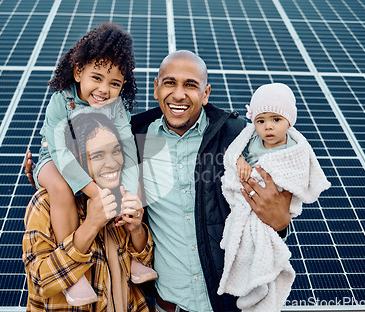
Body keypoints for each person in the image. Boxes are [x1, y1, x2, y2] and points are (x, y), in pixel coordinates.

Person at [25, 50, 293, 312]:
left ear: (206, 93)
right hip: (168, 304)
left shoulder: (238, 137)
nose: (178, 94)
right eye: (169, 83)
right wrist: (53, 177)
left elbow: (278, 191)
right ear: (156, 88)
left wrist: (281, 223)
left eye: (190, 85)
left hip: (231, 302)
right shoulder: (135, 134)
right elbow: (92, 157)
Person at [32, 22, 156, 306]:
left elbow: (127, 148)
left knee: (132, 184)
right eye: (96, 78)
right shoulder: (60, 102)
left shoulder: (117, 109)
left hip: (98, 161)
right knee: (62, 188)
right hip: (54, 160)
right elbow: (62, 153)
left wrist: (128, 192)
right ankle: (75, 274)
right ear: (78, 72)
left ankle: (132, 260)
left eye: (114, 84)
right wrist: (92, 191)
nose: (103, 89)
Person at [23, 113, 154, 312]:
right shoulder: (46, 204)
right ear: (75, 161)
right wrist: (91, 225)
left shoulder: (121, 195)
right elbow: (41, 281)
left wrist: (136, 229)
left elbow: (146, 268)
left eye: (116, 151)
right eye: (98, 155)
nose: (112, 163)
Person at [217, 83, 330, 311]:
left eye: (276, 120)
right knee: (241, 243)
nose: (268, 127)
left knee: (265, 244)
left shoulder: (294, 149)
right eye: (261, 121)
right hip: (245, 201)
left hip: (270, 207)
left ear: (289, 120)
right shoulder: (249, 139)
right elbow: (234, 157)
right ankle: (251, 285)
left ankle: (261, 286)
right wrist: (239, 163)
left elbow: (296, 177)